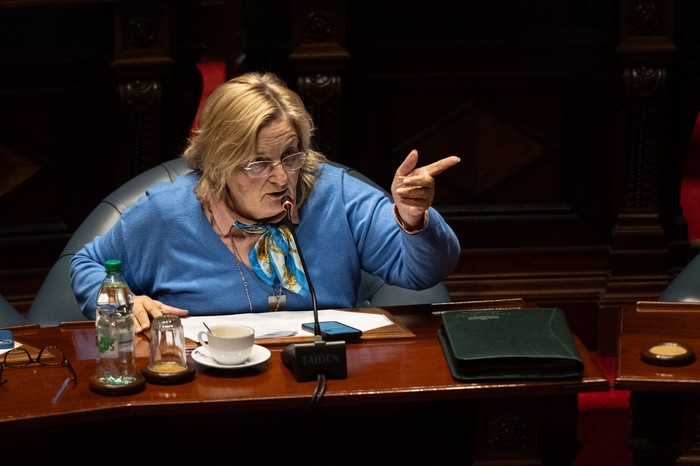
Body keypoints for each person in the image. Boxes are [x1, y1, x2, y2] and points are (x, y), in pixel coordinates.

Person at [70, 71, 461, 334]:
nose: (281, 177)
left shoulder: (335, 195)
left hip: (322, 380)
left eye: (291, 156)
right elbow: (86, 265)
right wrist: (123, 301)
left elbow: (423, 272)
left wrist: (413, 220)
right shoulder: (164, 214)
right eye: (258, 163)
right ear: (220, 163)